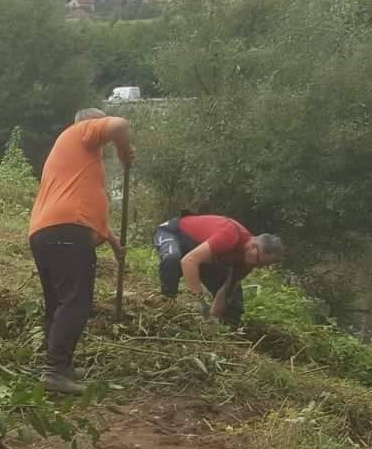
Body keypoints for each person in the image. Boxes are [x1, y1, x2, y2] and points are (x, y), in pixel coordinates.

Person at [26, 107, 134, 396]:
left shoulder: (71, 155)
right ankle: (55, 370)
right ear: (92, 123)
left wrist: (113, 243)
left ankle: (58, 364)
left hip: (47, 231)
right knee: (75, 302)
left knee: (58, 303)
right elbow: (120, 124)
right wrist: (125, 151)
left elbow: (85, 207)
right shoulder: (81, 133)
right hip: (67, 231)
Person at [154, 214, 284, 323]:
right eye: (259, 261)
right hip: (175, 233)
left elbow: (225, 290)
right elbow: (188, 261)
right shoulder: (230, 235)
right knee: (172, 259)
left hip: (202, 254)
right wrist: (201, 302)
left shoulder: (248, 261)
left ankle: (228, 329)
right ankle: (167, 306)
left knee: (234, 296)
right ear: (253, 247)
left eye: (262, 265)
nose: (257, 267)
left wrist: (211, 319)